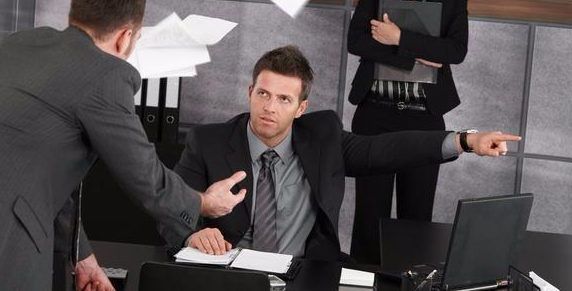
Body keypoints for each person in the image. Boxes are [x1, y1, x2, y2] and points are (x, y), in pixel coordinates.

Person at [0, 0, 246, 291]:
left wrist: (82, 257)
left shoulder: (20, 44)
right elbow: (145, 177)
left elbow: (37, 175)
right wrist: (204, 202)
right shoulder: (106, 75)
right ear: (125, 37)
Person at [159, 45, 518, 261]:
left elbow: (386, 149)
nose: (269, 107)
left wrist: (465, 140)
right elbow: (169, 209)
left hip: (305, 274)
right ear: (250, 92)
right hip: (232, 273)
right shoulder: (208, 142)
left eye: (284, 99)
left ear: (301, 108)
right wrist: (191, 235)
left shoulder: (322, 137)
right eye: (263, 94)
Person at [346, 0, 469, 264]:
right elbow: (357, 40)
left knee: (416, 219)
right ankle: (363, 283)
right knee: (369, 219)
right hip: (374, 116)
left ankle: (409, 284)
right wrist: (418, 54)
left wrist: (398, 37)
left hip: (423, 119)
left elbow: (455, 51)